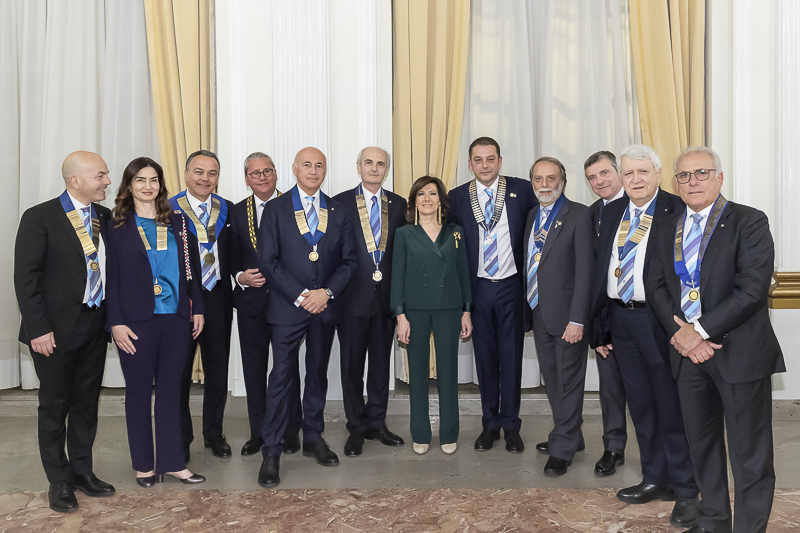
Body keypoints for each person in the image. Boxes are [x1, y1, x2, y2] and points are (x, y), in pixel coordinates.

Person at [647, 146, 785, 533]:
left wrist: (699, 331)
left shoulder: (749, 221)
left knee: (749, 454)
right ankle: (714, 521)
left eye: (702, 173)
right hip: (687, 357)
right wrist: (681, 335)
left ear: (720, 178)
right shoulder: (665, 224)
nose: (693, 182)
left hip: (738, 353)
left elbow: (752, 290)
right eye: (684, 176)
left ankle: (748, 527)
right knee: (701, 446)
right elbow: (654, 284)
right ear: (675, 182)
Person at [592, 144, 698, 527]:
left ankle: (687, 489)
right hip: (621, 321)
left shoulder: (677, 210)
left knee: (671, 408)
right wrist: (599, 324)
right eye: (629, 173)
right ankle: (656, 478)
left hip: (661, 323)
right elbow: (602, 270)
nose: (635, 180)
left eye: (643, 173)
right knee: (640, 406)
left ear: (657, 175)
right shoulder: (614, 212)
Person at [14, 151, 115, 512]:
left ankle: (82, 472)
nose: (107, 180)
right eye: (101, 175)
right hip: (53, 332)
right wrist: (39, 328)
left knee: (86, 404)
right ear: (76, 180)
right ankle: (58, 482)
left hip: (94, 326)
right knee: (55, 407)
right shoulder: (39, 217)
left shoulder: (105, 217)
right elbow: (26, 278)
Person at [256, 147, 357, 488]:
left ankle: (314, 437)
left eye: (319, 166)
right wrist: (302, 296)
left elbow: (349, 262)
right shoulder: (275, 208)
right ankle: (271, 452)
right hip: (288, 307)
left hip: (324, 307)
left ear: (325, 170)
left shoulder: (338, 210)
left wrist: (324, 293)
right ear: (295, 169)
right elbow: (268, 261)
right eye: (307, 165)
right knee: (281, 378)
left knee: (316, 374)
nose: (313, 171)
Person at [106, 157, 206, 487]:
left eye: (154, 180)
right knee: (137, 393)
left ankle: (174, 462)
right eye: (140, 181)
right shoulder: (117, 226)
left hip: (176, 319)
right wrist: (115, 322)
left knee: (170, 393)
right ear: (129, 186)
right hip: (135, 322)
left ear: (161, 185)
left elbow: (193, 273)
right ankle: (144, 466)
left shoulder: (178, 222)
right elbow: (112, 278)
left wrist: (199, 309)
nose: (148, 186)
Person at [448, 137, 536, 453]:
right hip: (478, 287)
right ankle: (490, 426)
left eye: (490, 159)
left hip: (512, 286)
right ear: (469, 163)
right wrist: (461, 303)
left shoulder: (523, 191)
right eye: (478, 160)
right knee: (484, 359)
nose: (485, 165)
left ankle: (512, 427)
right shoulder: (457, 197)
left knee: (511, 359)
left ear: (500, 161)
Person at [333, 147, 407, 457]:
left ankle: (377, 421)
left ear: (387, 169)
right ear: (358, 167)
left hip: (386, 299)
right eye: (368, 163)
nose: (374, 168)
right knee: (351, 367)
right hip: (351, 299)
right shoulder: (339, 203)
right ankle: (356, 426)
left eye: (380, 164)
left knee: (379, 366)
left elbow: (404, 254)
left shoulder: (400, 204)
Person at [391, 176, 473, 456]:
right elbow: (397, 277)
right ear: (414, 201)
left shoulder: (456, 232)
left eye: (433, 194)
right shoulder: (404, 234)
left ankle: (449, 433)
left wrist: (467, 310)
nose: (427, 199)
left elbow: (463, 274)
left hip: (449, 309)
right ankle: (421, 433)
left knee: (449, 373)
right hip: (415, 310)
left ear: (441, 200)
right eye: (421, 194)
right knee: (418, 375)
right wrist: (400, 316)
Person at [522, 157, 593, 477]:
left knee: (569, 381)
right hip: (541, 313)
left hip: (568, 318)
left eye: (551, 178)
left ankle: (562, 447)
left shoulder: (579, 215)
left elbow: (585, 273)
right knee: (553, 380)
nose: (545, 184)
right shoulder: (532, 215)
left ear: (563, 181)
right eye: (538, 179)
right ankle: (572, 434)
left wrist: (578, 319)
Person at [229, 152, 302, 457]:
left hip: (287, 302)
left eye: (267, 171)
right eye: (255, 173)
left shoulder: (293, 206)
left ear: (276, 174)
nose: (262, 177)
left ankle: (289, 430)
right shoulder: (235, 212)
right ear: (247, 179)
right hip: (252, 303)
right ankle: (259, 432)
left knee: (288, 369)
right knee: (255, 369)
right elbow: (229, 255)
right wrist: (239, 276)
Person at [170, 150, 235, 461]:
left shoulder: (228, 210)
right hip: (181, 301)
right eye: (198, 172)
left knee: (218, 370)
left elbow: (235, 254)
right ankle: (181, 437)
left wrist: (244, 274)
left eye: (211, 173)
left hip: (218, 297)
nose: (205, 179)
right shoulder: (167, 211)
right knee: (179, 373)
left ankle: (214, 433)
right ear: (186, 175)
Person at [583, 150, 628, 476]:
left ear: (619, 171)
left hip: (647, 315)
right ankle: (614, 446)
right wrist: (597, 329)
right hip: (607, 315)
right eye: (592, 177)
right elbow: (592, 276)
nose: (599, 181)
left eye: (604, 173)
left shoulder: (644, 206)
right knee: (610, 388)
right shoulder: (591, 215)